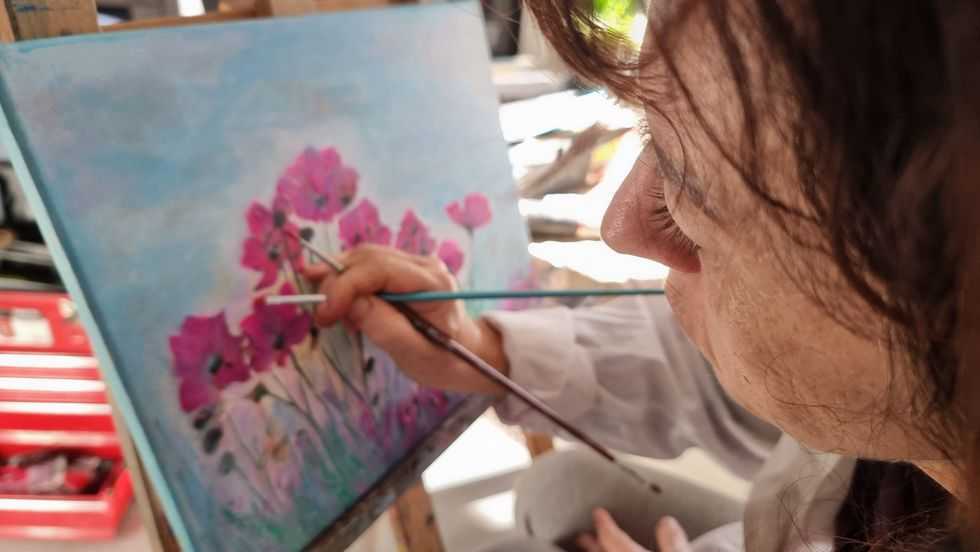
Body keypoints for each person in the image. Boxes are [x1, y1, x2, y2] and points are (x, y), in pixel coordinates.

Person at [305, 2, 980, 550]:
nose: (620, 227)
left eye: (688, 182)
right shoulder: (906, 402)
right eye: (651, 138)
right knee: (558, 488)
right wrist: (479, 349)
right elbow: (717, 373)